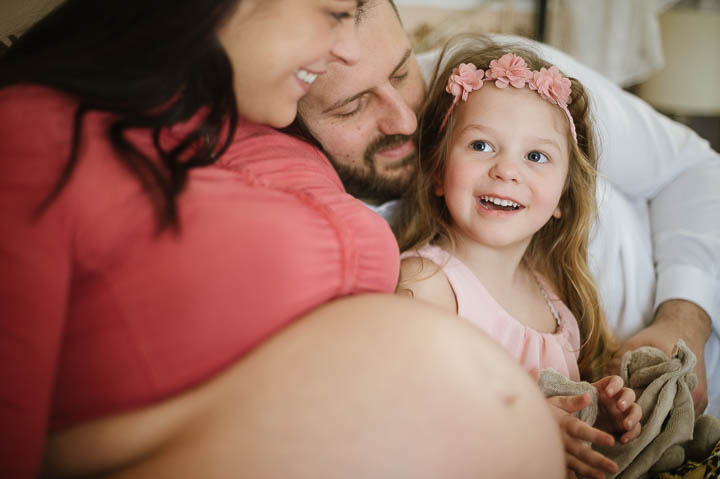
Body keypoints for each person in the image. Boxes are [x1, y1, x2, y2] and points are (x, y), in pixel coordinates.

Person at [0, 0, 568, 477]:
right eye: (329, 14)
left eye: (399, 74)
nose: (405, 119)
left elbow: (660, 163)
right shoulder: (38, 134)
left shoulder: (482, 98)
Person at [294, 0, 720, 418]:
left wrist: (681, 323)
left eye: (402, 72)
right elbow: (406, 404)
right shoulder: (420, 281)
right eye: (351, 106)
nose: (407, 120)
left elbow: (696, 166)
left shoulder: (514, 80)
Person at [394, 39, 642, 479]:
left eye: (536, 156)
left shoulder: (556, 297)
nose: (507, 170)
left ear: (562, 198)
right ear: (436, 169)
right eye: (481, 146)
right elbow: (408, 411)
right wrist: (524, 425)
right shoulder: (427, 283)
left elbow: (566, 423)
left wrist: (595, 416)